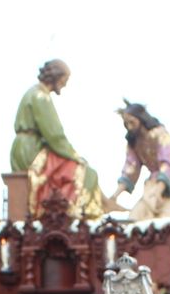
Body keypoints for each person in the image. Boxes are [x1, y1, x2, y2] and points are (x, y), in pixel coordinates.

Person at [9, 58, 104, 219]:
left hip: (26, 147)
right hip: (31, 150)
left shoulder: (35, 93)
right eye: (64, 80)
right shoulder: (41, 97)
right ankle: (72, 212)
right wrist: (74, 156)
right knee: (85, 172)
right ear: (56, 77)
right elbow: (55, 135)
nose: (65, 84)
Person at [109, 101, 170, 222]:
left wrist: (159, 190)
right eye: (126, 123)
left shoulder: (160, 134)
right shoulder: (134, 143)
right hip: (153, 184)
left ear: (140, 119)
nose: (129, 126)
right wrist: (114, 196)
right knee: (135, 218)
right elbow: (130, 168)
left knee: (168, 221)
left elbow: (168, 163)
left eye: (132, 122)